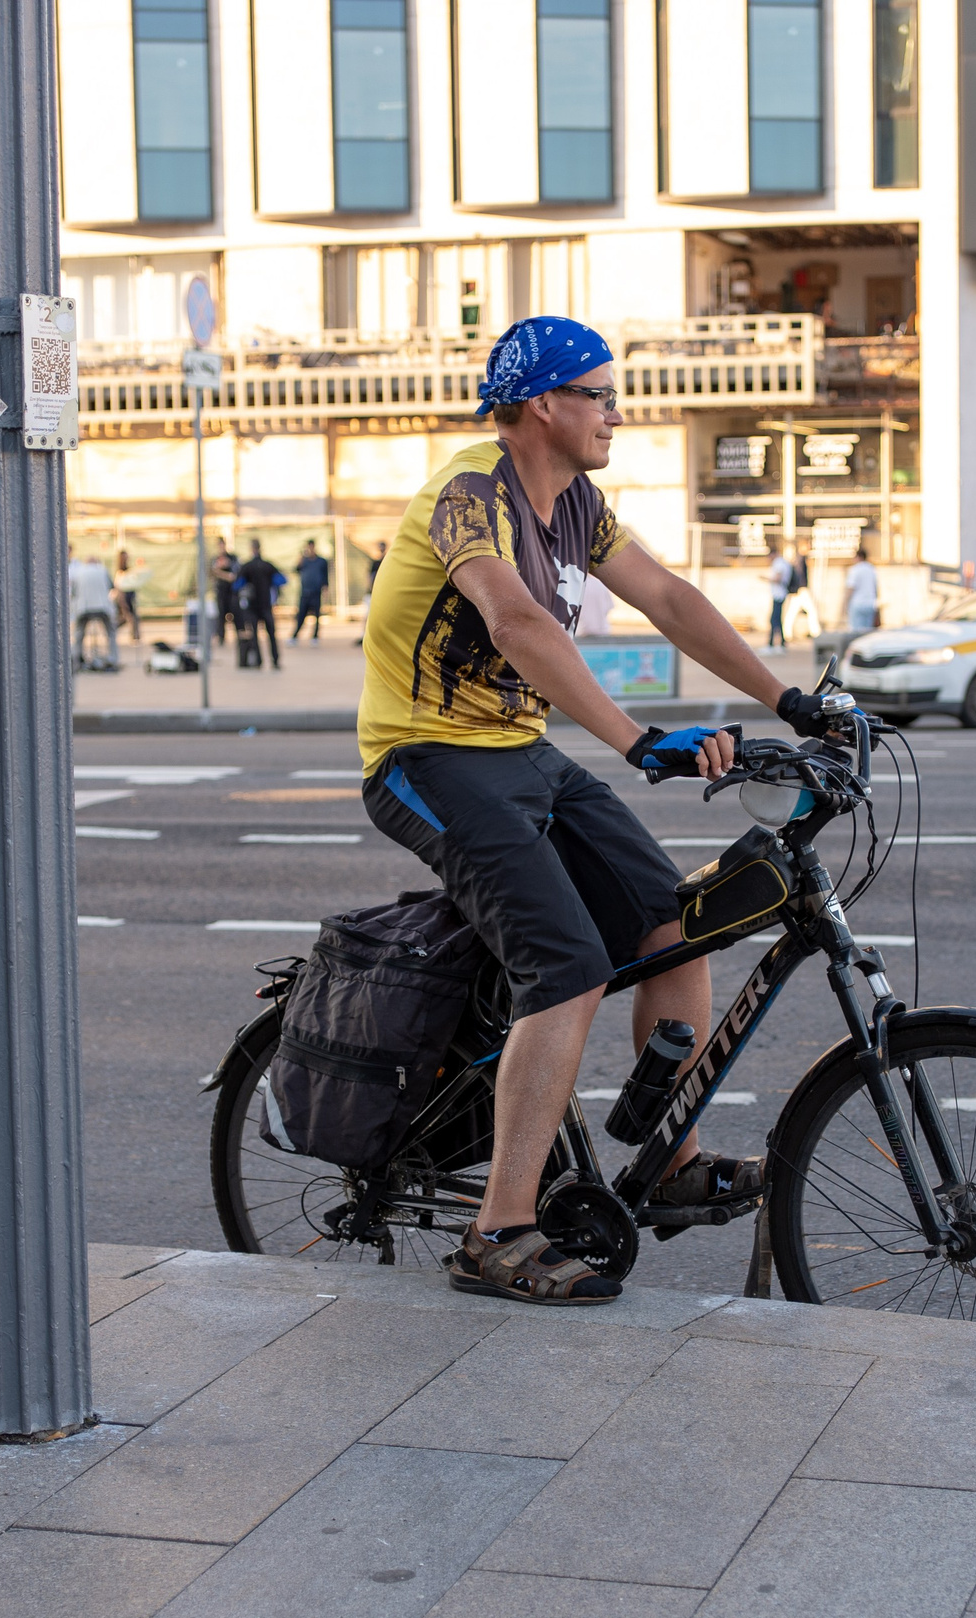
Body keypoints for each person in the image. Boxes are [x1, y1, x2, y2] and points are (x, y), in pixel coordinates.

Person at [358, 313, 829, 1307]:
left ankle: (668, 1158)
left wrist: (785, 697)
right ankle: (497, 1230)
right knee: (565, 966)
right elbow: (518, 619)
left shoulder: (579, 506)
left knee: (676, 920)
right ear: (541, 403)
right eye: (601, 393)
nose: (617, 411)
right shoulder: (466, 496)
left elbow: (667, 596)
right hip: (424, 755)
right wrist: (632, 739)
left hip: (517, 754)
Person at [234, 539, 284, 668]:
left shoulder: (247, 566)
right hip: (266, 605)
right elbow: (282, 580)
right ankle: (275, 660)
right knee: (271, 634)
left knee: (255, 634)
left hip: (252, 606)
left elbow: (237, 585)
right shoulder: (268, 566)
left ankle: (258, 661)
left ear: (251, 548)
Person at [67, 552, 119, 669]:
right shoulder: (103, 570)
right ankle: (113, 659)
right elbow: (111, 586)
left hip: (83, 607)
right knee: (111, 632)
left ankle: (77, 658)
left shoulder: (78, 572)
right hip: (102, 607)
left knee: (79, 633)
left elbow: (74, 592)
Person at [291, 539, 330, 643]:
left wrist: (325, 588)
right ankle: (295, 636)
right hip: (305, 592)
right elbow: (296, 569)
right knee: (301, 615)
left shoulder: (321, 561)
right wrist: (300, 559)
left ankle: (315, 636)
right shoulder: (304, 560)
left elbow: (325, 576)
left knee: (317, 615)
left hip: (316, 592)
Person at [844, 537, 880, 635]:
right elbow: (876, 588)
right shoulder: (871, 569)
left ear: (858, 557)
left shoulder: (855, 570)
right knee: (867, 633)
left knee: (855, 632)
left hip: (857, 604)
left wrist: (845, 603)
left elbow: (851, 588)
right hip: (870, 604)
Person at [764, 544, 795, 649]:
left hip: (779, 594)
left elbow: (778, 578)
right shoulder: (783, 563)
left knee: (774, 620)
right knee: (776, 619)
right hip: (780, 594)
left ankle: (773, 644)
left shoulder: (779, 563)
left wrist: (765, 578)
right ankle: (779, 643)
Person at [211, 540, 238, 645]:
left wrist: (220, 573)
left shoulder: (232, 558)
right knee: (221, 615)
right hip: (221, 591)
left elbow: (233, 576)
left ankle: (239, 637)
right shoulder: (215, 559)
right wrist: (221, 572)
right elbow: (213, 573)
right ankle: (221, 638)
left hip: (231, 592)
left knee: (235, 614)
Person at [114, 549, 142, 642]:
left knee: (131, 618)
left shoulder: (128, 569)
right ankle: (113, 630)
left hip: (130, 596)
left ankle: (135, 636)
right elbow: (119, 586)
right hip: (124, 597)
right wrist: (122, 601)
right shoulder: (120, 571)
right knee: (126, 618)